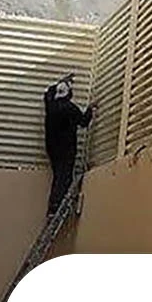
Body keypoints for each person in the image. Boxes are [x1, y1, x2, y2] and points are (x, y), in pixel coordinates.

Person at [43, 73, 95, 217]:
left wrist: (61, 81)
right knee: (64, 177)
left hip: (52, 149)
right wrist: (90, 109)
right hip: (66, 149)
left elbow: (48, 93)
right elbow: (84, 122)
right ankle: (56, 207)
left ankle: (53, 207)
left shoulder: (51, 105)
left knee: (58, 176)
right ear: (69, 94)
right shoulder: (70, 108)